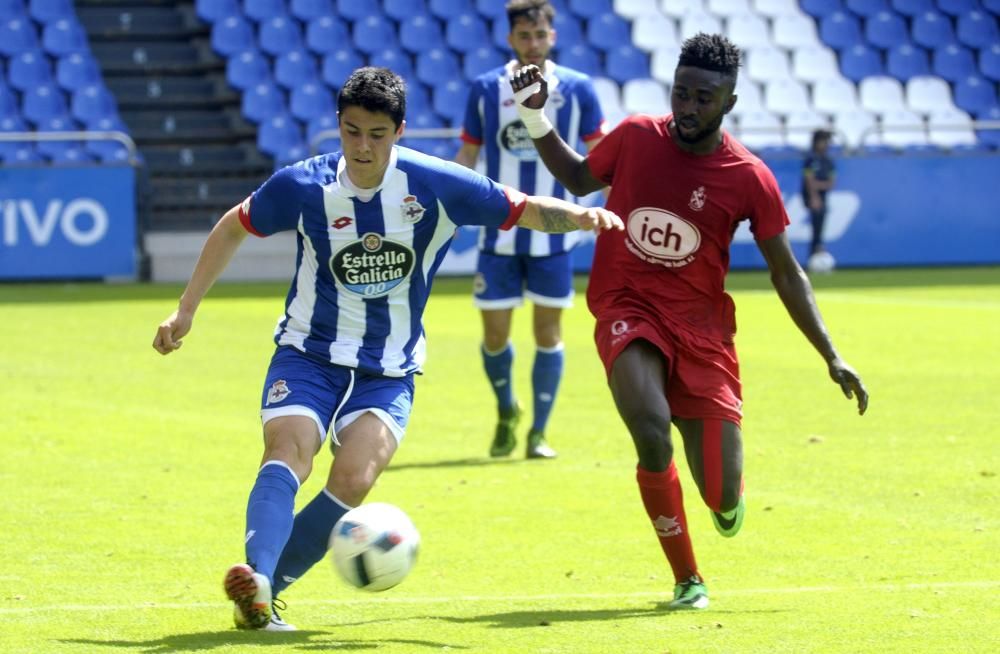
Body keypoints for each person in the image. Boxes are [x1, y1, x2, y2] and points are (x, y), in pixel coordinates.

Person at [152, 67, 623, 631]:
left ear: (400, 130)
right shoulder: (303, 186)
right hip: (308, 354)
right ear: (339, 126)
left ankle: (268, 589)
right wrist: (186, 308)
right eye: (351, 132)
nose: (362, 147)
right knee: (289, 452)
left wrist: (583, 215)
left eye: (376, 134)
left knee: (354, 478)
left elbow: (521, 207)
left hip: (389, 368)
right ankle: (258, 576)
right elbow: (235, 225)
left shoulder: (435, 185)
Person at [509, 34, 869, 609]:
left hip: (702, 333)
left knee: (721, 496)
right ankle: (688, 579)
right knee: (650, 429)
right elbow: (579, 180)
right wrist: (534, 116)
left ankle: (726, 499)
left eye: (704, 97)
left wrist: (831, 353)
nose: (688, 107)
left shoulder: (750, 176)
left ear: (729, 100)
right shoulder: (635, 137)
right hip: (627, 306)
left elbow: (786, 272)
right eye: (680, 93)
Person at [454, 0, 607, 460]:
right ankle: (506, 411)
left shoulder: (578, 89)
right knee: (496, 336)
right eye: (525, 36)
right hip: (498, 236)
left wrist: (601, 209)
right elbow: (468, 156)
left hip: (556, 236)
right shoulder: (485, 89)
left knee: (548, 333)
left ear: (552, 37)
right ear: (510, 39)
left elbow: (601, 157)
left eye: (540, 36)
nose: (533, 44)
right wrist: (448, 202)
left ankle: (539, 432)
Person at [802, 129, 836, 272]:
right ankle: (813, 257)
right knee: (816, 227)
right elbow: (809, 180)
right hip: (813, 197)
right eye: (823, 141)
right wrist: (814, 196)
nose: (826, 144)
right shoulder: (810, 159)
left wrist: (819, 185)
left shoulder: (828, 160)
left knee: (820, 227)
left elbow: (831, 182)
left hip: (823, 197)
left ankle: (816, 256)